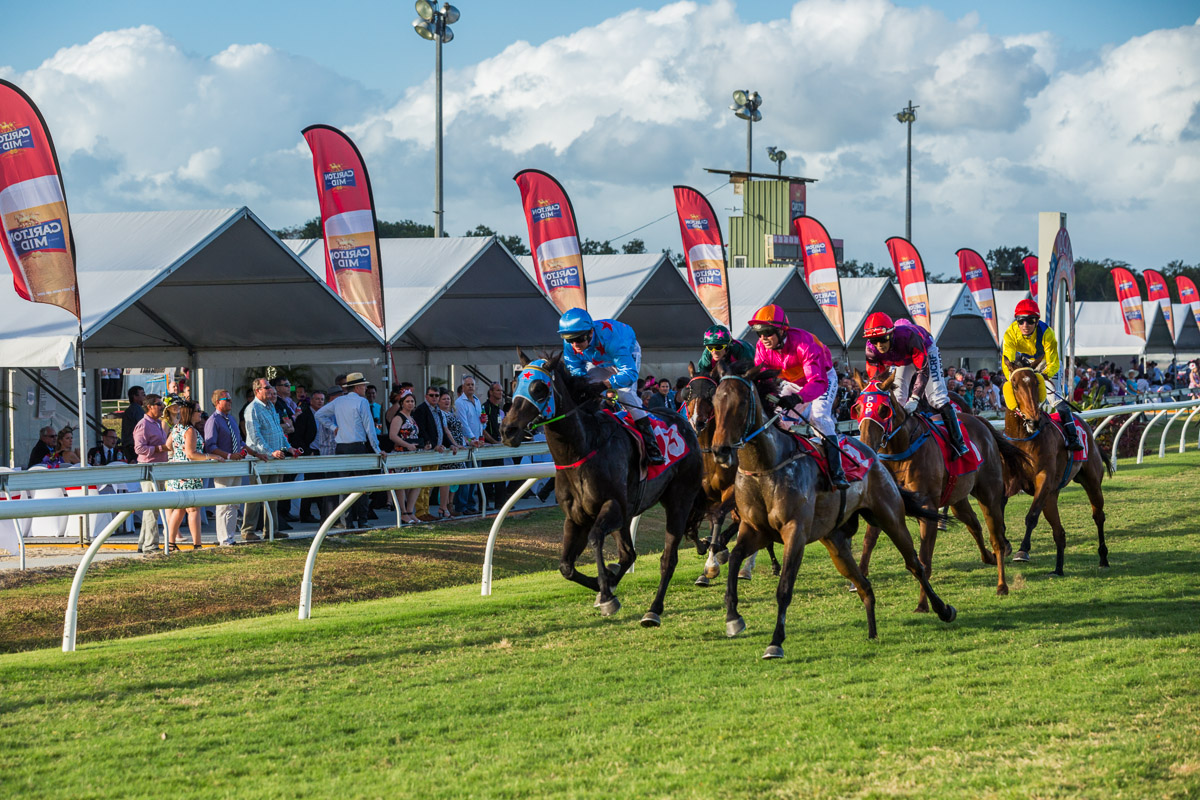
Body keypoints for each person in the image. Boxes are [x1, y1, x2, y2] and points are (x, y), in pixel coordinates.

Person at [748, 304, 847, 488]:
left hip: (822, 379)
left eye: (768, 332)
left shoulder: (804, 343)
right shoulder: (762, 347)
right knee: (778, 421)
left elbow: (817, 382)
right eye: (758, 333)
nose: (763, 338)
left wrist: (798, 398)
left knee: (819, 417)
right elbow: (762, 380)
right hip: (793, 382)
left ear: (781, 330)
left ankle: (837, 472)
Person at [557, 307, 665, 464]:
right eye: (569, 340)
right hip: (600, 360)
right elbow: (576, 372)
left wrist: (604, 385)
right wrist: (584, 388)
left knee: (625, 394)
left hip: (625, 356)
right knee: (583, 390)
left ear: (589, 332)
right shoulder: (571, 345)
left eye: (579, 339)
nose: (574, 345)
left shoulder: (612, 339)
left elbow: (630, 374)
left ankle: (652, 444)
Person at [863, 312, 969, 455]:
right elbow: (877, 381)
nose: (879, 345)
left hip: (925, 350)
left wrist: (914, 398)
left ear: (891, 334)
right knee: (898, 399)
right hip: (902, 358)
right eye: (874, 341)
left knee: (937, 398)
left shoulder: (909, 337)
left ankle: (958, 442)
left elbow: (923, 371)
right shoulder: (871, 349)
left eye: (883, 339)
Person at [1002, 298, 1082, 451]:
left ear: (1037, 321)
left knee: (1054, 399)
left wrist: (1042, 376)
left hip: (1045, 364)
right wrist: (1014, 378)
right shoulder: (1010, 334)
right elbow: (1007, 362)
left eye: (1030, 320)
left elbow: (1053, 362)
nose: (1025, 325)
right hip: (1023, 365)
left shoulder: (1047, 333)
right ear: (1017, 321)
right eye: (1021, 321)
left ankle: (1073, 437)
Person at [314, 372, 381, 529]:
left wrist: (333, 427)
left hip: (341, 448)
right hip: (357, 446)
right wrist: (377, 449)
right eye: (363, 386)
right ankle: (362, 520)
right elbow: (369, 427)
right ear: (357, 387)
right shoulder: (362, 402)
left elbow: (319, 414)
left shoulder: (339, 401)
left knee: (345, 487)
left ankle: (346, 522)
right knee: (362, 485)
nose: (365, 388)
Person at [242, 378, 300, 541]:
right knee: (255, 496)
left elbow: (278, 431)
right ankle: (248, 530)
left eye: (270, 387)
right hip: (260, 459)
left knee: (273, 495)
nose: (270, 390)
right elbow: (255, 437)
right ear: (257, 391)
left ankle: (271, 530)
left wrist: (288, 447)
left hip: (274, 458)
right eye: (266, 387)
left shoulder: (270, 407)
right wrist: (270, 452)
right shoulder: (252, 409)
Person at [164, 398, 224, 551]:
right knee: (193, 509)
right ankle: (197, 544)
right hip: (189, 472)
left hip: (176, 471)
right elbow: (191, 454)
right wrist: (209, 456)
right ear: (190, 413)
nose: (201, 413)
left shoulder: (176, 428)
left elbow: (168, 446)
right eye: (198, 410)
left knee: (179, 508)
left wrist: (177, 455)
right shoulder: (190, 430)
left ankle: (170, 543)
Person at [203, 388, 254, 546]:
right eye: (227, 399)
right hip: (223, 465)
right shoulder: (213, 421)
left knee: (234, 503)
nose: (230, 402)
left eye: (230, 399)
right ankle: (224, 539)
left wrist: (255, 453)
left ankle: (230, 537)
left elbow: (240, 442)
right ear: (218, 402)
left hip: (235, 465)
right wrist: (229, 456)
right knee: (224, 503)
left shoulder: (231, 419)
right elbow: (210, 447)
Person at [413, 384, 457, 521]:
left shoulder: (437, 410)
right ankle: (421, 512)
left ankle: (425, 511)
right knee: (423, 484)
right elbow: (422, 430)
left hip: (436, 452)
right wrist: (432, 445)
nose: (434, 398)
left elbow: (442, 431)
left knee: (430, 484)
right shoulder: (421, 409)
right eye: (431, 395)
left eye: (436, 395)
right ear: (426, 396)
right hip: (427, 451)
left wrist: (451, 445)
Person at [133, 394, 168, 554]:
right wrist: (160, 448)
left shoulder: (158, 423)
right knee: (151, 508)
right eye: (159, 404)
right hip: (148, 468)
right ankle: (151, 545)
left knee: (153, 507)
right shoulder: (143, 425)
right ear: (149, 406)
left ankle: (144, 543)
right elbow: (139, 449)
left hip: (159, 467)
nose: (162, 407)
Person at [388, 391, 422, 524]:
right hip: (401, 454)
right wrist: (407, 445)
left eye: (412, 401)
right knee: (401, 484)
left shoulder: (412, 418)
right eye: (407, 401)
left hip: (413, 455)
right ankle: (403, 512)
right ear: (402, 403)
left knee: (417, 482)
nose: (410, 403)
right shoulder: (398, 418)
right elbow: (393, 435)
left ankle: (409, 511)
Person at [453, 376, 484, 515]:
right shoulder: (460, 402)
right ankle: (462, 505)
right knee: (466, 475)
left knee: (475, 475)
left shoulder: (477, 401)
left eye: (472, 384)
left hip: (477, 441)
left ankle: (471, 504)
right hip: (467, 442)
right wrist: (472, 438)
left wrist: (483, 426)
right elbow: (463, 423)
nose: (470, 387)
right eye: (468, 385)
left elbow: (479, 421)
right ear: (463, 387)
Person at [436, 389, 466, 519]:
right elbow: (446, 430)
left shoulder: (452, 413)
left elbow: (460, 431)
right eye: (444, 399)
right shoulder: (440, 414)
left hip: (459, 448)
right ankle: (444, 506)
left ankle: (450, 505)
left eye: (448, 398)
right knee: (447, 478)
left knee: (455, 479)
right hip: (450, 449)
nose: (447, 401)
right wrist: (454, 444)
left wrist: (468, 441)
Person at [120, 386, 146, 463]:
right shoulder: (137, 410)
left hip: (129, 446)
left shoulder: (131, 410)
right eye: (143, 394)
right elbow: (143, 427)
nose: (145, 396)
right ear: (135, 397)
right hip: (134, 446)